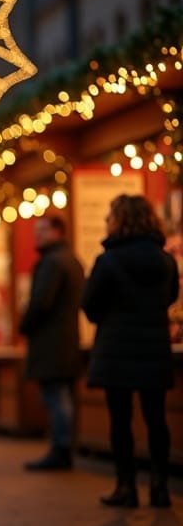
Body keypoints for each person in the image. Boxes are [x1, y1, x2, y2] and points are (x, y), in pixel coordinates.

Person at [82, 194, 179, 508]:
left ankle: (126, 486)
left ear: (119, 220)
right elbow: (170, 298)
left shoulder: (108, 261)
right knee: (156, 418)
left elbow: (90, 305)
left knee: (120, 420)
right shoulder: (166, 260)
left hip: (116, 349)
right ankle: (159, 486)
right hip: (154, 347)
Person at [18, 213, 85, 471]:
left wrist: (25, 324)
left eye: (43, 229)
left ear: (58, 231)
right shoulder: (71, 260)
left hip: (52, 343)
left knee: (57, 399)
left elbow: (41, 303)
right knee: (63, 397)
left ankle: (61, 450)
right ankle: (63, 447)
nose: (38, 234)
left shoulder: (52, 263)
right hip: (67, 340)